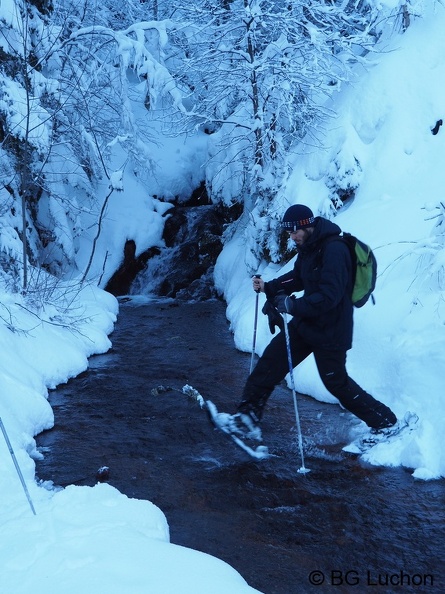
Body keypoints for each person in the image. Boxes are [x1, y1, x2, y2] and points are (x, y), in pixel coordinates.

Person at [226, 204, 398, 441]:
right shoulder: (308, 247)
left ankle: (386, 422)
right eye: (289, 233)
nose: (292, 236)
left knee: (336, 383)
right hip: (307, 323)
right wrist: (270, 287)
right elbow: (297, 278)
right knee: (270, 363)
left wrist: (293, 306)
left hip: (331, 329)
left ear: (307, 225)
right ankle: (246, 418)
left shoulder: (335, 250)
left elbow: (330, 296)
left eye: (295, 231)